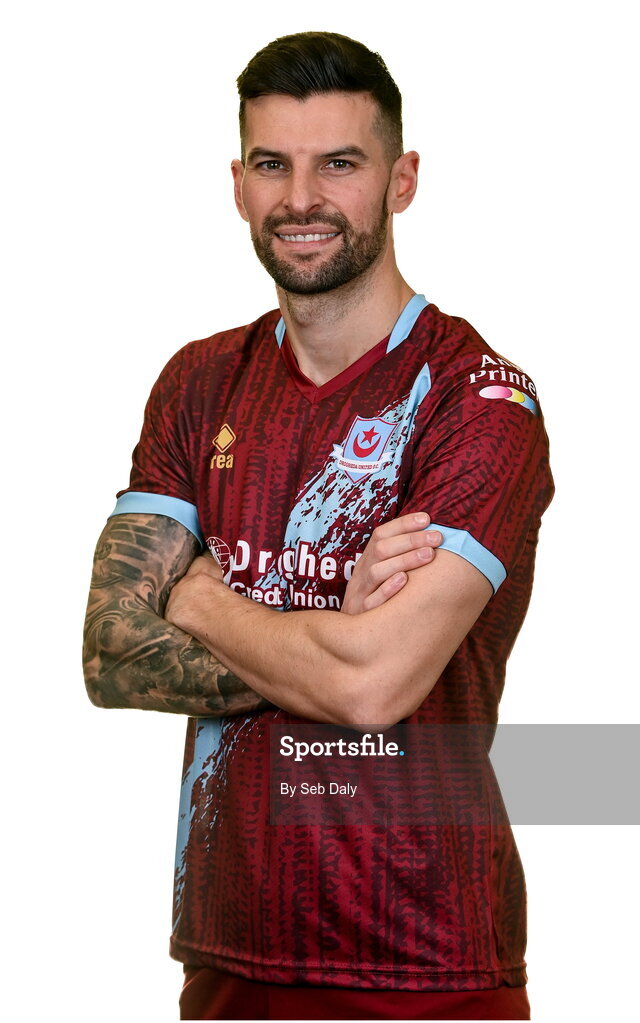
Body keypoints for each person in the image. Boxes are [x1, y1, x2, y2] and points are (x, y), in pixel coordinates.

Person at [83, 30, 553, 1021]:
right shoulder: (195, 382)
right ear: (241, 185)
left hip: (427, 963)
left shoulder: (476, 400)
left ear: (400, 179)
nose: (302, 198)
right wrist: (326, 631)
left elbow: (372, 683)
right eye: (273, 165)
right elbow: (113, 655)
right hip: (228, 950)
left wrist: (200, 593)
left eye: (339, 163)